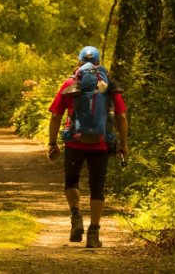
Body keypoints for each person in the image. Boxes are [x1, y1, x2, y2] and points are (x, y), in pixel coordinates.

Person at [47, 46, 128, 248]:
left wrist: (52, 142)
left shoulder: (70, 84)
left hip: (75, 141)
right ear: (99, 64)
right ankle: (94, 233)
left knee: (72, 180)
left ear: (78, 63)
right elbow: (121, 116)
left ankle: (76, 218)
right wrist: (124, 144)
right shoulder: (107, 85)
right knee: (97, 187)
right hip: (101, 143)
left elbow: (56, 115)